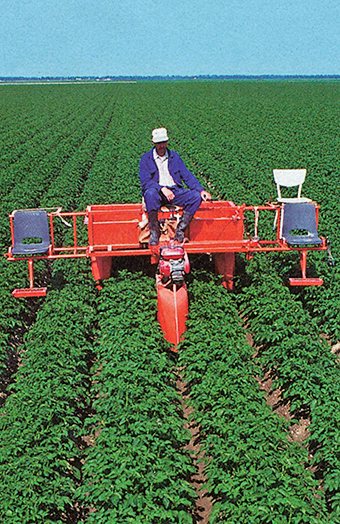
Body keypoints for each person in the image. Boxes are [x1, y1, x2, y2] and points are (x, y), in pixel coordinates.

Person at [139, 127, 211, 245]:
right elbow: (145, 182)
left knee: (195, 197)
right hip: (157, 193)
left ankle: (180, 230)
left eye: (163, 142)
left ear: (167, 141)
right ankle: (154, 232)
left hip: (174, 191)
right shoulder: (146, 159)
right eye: (158, 143)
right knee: (149, 194)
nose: (161, 146)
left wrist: (201, 190)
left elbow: (187, 175)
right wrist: (162, 188)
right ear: (153, 143)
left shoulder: (175, 157)